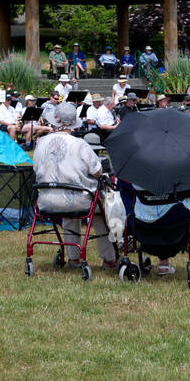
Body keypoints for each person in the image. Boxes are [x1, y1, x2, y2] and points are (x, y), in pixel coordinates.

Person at [33, 104, 116, 268]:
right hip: (78, 200)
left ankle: (73, 258)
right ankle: (109, 258)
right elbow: (97, 171)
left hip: (47, 200)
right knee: (100, 211)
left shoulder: (40, 143)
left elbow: (36, 169)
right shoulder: (80, 144)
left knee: (70, 213)